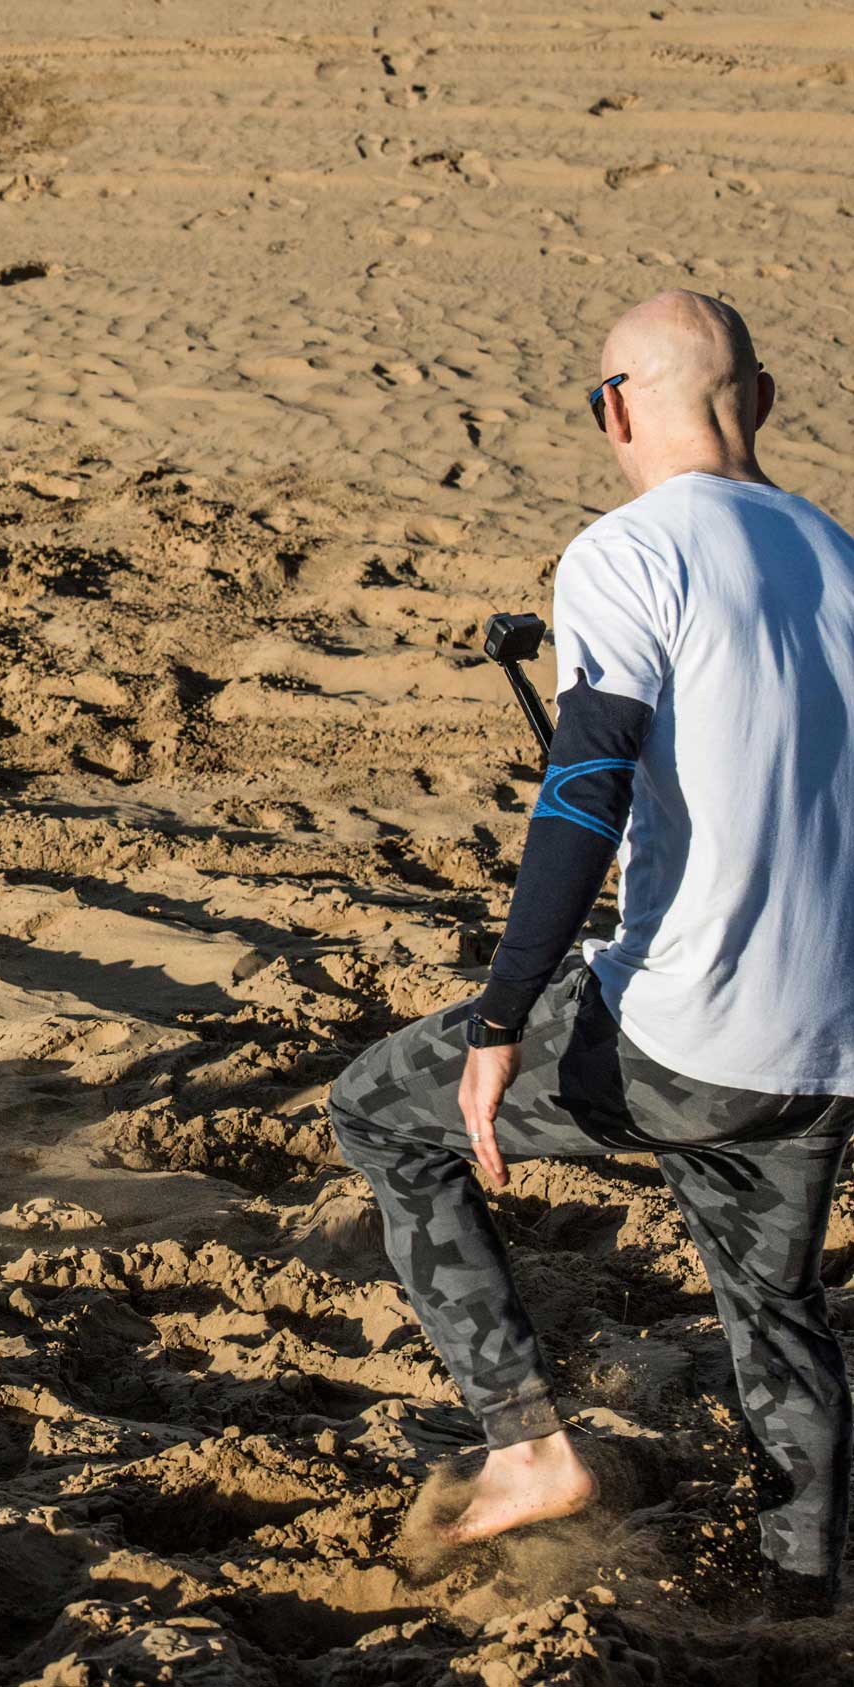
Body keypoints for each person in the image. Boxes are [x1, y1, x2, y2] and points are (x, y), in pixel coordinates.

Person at [329, 291, 854, 1616]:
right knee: (777, 1312)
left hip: (679, 1032)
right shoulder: (843, 557)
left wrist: (504, 1018)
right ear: (766, 400)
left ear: (615, 406)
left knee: (386, 1114)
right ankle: (802, 1597)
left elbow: (583, 789)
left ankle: (524, 1437)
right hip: (826, 1044)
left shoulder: (628, 550)